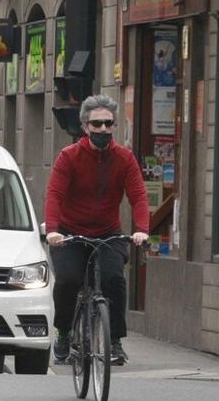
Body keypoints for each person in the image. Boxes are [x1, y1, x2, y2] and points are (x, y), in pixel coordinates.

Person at [45, 94, 149, 366]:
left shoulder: (124, 158)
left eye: (108, 124)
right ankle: (65, 333)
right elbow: (54, 194)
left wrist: (142, 230)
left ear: (114, 126)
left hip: (107, 233)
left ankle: (114, 342)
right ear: (85, 126)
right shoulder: (69, 157)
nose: (103, 129)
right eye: (97, 124)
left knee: (114, 279)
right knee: (68, 280)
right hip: (70, 233)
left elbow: (138, 196)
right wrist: (53, 231)